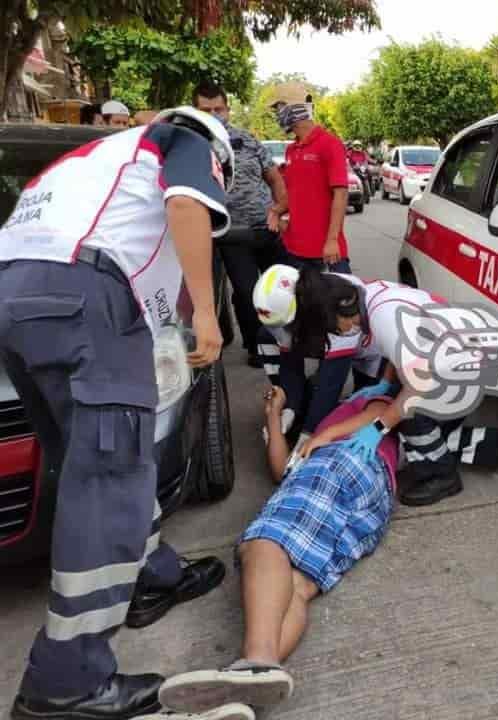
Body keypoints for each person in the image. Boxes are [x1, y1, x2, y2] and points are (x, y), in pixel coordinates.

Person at [0, 106, 232, 720]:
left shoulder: (83, 163)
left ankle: (151, 572)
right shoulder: (180, 140)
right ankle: (66, 681)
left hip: (18, 301)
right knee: (110, 474)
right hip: (85, 296)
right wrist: (207, 315)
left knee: (99, 458)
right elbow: (186, 205)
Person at [150, 384, 400, 718]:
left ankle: (255, 664)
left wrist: (325, 437)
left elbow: (381, 415)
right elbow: (283, 469)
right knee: (295, 587)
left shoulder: (370, 397)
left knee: (266, 543)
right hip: (365, 494)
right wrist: (273, 414)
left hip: (340, 463)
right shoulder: (325, 434)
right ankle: (234, 695)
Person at [290, 270, 498, 506]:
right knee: (419, 435)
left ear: (337, 313)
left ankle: (443, 475)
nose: (336, 333)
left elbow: (416, 388)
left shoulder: (383, 319)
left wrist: (376, 429)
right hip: (462, 354)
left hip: (473, 366)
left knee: (410, 418)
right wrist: (385, 383)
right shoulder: (371, 295)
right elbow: (397, 349)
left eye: (331, 328)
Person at [193, 80, 288, 368]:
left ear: (228, 110)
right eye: (205, 110)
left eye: (218, 109)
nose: (213, 114)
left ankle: (284, 341)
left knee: (281, 289)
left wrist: (280, 210)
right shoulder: (190, 146)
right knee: (247, 293)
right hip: (230, 234)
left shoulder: (248, 140)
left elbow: (274, 178)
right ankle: (256, 345)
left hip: (266, 228)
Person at [253, 264, 379, 450]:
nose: (280, 330)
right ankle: (297, 407)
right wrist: (290, 408)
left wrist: (309, 435)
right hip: (319, 333)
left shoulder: (340, 309)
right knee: (265, 336)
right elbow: (289, 364)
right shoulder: (284, 310)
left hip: (376, 347)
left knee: (367, 408)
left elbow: (331, 384)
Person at [269, 83, 351, 273]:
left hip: (327, 252)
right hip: (294, 251)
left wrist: (331, 240)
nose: (277, 115)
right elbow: (294, 193)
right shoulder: (291, 150)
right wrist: (276, 212)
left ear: (294, 108)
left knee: (342, 301)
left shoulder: (330, 144)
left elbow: (341, 194)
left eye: (279, 108)